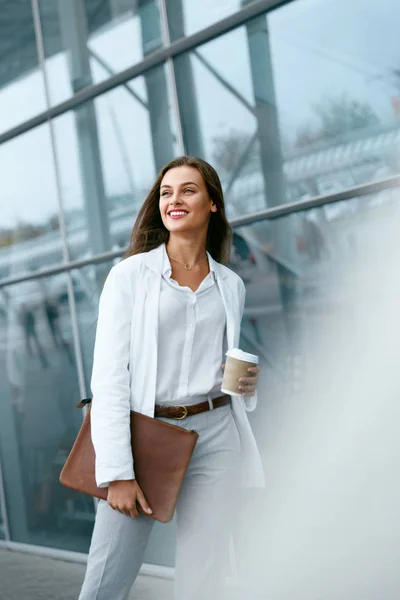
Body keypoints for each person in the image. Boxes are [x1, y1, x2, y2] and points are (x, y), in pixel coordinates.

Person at [79, 156, 265, 600]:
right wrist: (118, 473)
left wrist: (245, 385)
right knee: (107, 577)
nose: (174, 200)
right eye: (166, 192)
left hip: (217, 434)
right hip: (146, 435)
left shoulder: (230, 284)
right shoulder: (129, 276)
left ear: (213, 203)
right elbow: (108, 381)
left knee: (204, 579)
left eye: (188, 190)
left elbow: (224, 366)